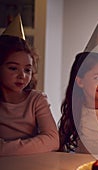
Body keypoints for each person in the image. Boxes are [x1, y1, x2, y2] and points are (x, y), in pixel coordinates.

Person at [0, 15, 59, 156]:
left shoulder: (36, 100)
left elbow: (52, 140)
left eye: (27, 70)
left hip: (31, 164)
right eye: (13, 68)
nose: (22, 76)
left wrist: (3, 149)